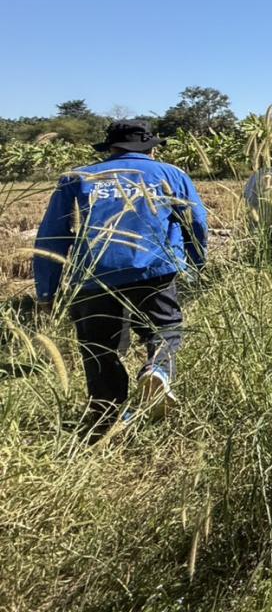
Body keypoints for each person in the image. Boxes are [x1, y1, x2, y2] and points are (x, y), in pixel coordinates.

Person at [33, 120, 207, 435]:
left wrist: (46, 291)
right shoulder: (170, 174)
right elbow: (196, 222)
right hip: (153, 270)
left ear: (111, 148)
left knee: (100, 348)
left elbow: (52, 237)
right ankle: (157, 371)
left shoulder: (77, 178)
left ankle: (108, 419)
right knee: (164, 330)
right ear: (151, 149)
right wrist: (196, 264)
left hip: (93, 275)